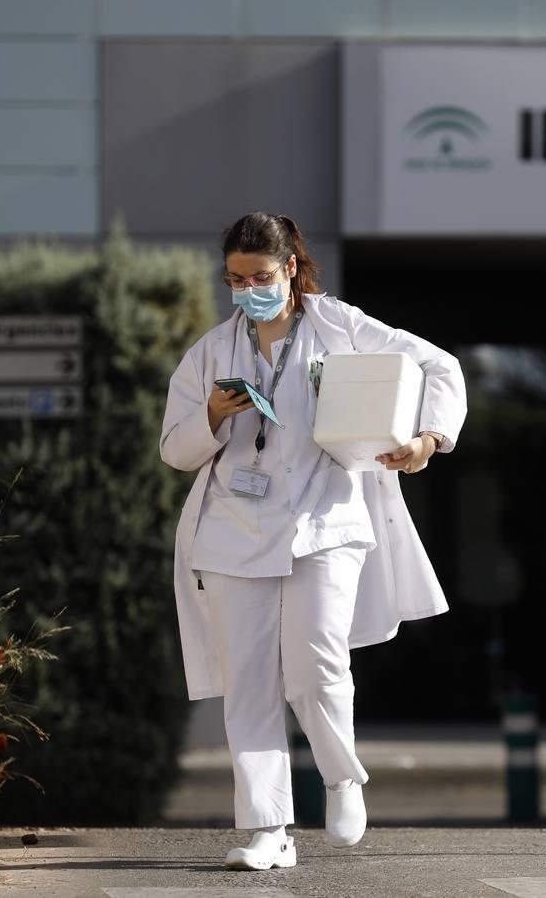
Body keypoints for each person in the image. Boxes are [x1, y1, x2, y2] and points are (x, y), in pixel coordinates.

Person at [159, 212, 466, 871]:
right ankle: (269, 829)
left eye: (261, 276)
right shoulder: (212, 351)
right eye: (235, 279)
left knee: (316, 663)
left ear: (291, 268)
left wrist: (426, 440)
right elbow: (175, 451)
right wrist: (212, 414)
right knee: (247, 683)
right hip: (232, 534)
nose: (248, 290)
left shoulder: (341, 326)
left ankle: (341, 775)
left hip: (326, 521)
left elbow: (439, 368)